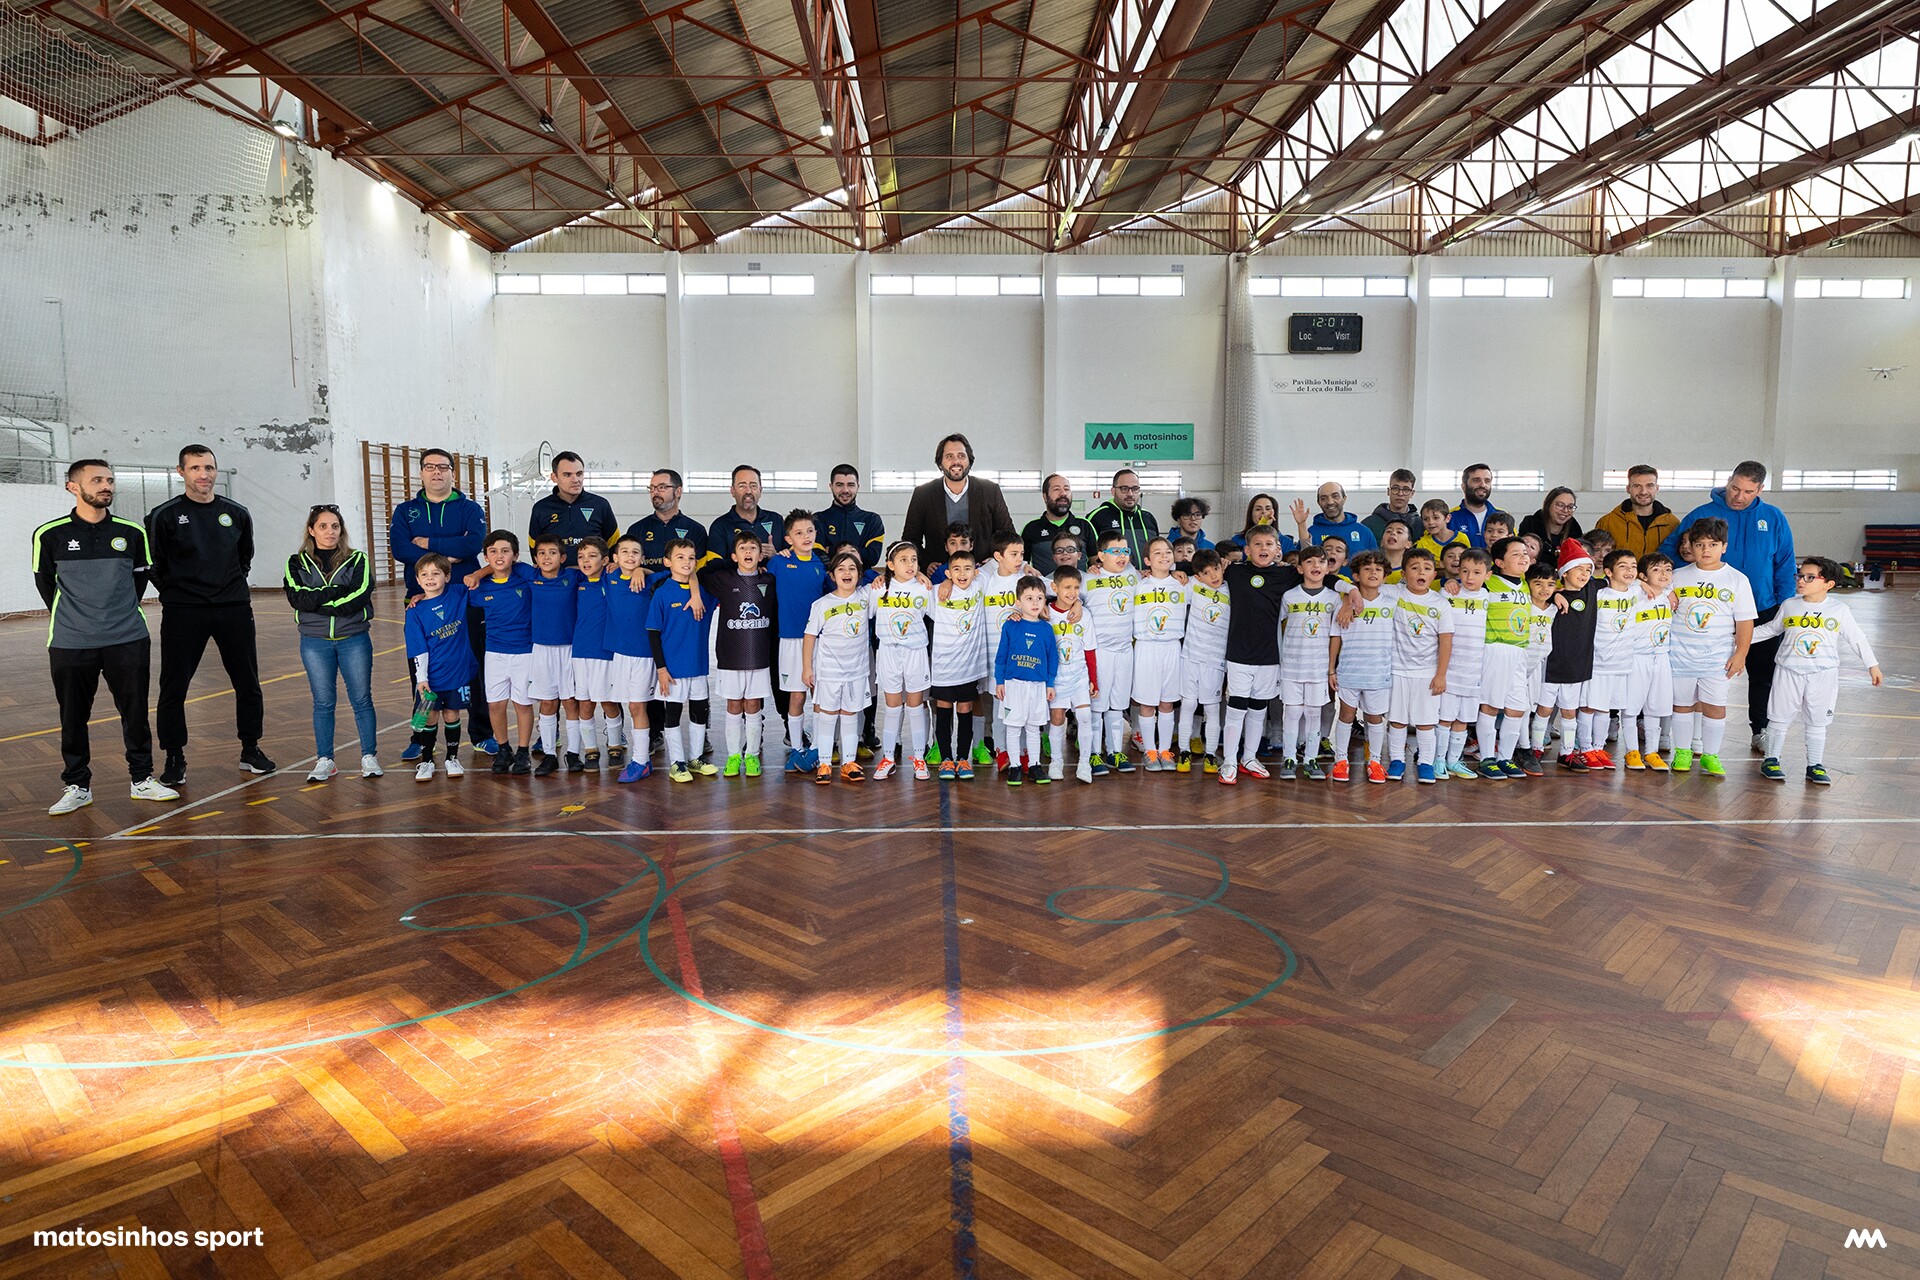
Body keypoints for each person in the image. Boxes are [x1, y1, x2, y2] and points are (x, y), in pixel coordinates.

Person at [37, 459, 179, 813]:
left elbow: (139, 579)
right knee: (73, 717)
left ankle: (142, 779)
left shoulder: (132, 533)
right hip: (70, 642)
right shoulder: (49, 535)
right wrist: (77, 618)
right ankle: (77, 785)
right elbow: (46, 584)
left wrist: (116, 611)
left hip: (127, 638)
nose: (106, 486)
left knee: (135, 713)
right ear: (73, 487)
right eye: (97, 480)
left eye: (110, 481)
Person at [147, 444, 272, 787]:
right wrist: (177, 593)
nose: (204, 474)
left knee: (247, 681)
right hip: (184, 612)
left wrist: (228, 588)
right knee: (174, 686)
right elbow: (154, 563)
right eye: (195, 468)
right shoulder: (164, 515)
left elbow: (244, 557)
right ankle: (174, 756)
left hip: (233, 608)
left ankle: (250, 749)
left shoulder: (237, 513)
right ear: (181, 472)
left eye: (209, 467)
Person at [1658, 460, 1795, 752]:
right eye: (1735, 488)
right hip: (1707, 610)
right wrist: (1668, 586)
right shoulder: (1701, 514)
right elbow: (1668, 552)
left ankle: (1760, 730)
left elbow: (1784, 563)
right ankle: (1689, 739)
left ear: (1760, 489)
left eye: (1747, 491)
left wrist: (1785, 606)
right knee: (1698, 674)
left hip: (1763, 609)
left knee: (1762, 675)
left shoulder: (1773, 517)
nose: (1738, 496)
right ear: (1729, 481)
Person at [391, 448, 491, 756]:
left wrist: (428, 543)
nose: (437, 472)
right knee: (421, 669)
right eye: (430, 467)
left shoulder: (470, 508)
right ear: (421, 472)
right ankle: (420, 737)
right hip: (421, 601)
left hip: (463, 602)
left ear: (452, 473)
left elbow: (474, 543)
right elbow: (400, 548)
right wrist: (448, 554)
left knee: (474, 665)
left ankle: (481, 733)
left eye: (443, 467)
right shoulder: (406, 511)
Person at [1751, 557, 1882, 785]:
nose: (1801, 580)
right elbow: (1771, 629)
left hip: (1823, 674)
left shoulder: (1839, 610)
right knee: (1778, 718)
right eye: (1800, 575)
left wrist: (1872, 665)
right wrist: (1738, 639)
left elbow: (1857, 638)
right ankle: (1771, 759)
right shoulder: (1789, 605)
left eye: (1810, 577)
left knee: (1817, 721)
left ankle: (1815, 765)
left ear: (1828, 584)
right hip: (1788, 671)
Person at [285, 503, 379, 781]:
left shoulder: (358, 559)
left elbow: (359, 595)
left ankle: (369, 756)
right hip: (315, 642)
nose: (330, 531)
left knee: (362, 699)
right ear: (311, 530)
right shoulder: (295, 562)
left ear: (342, 530)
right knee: (323, 702)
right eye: (323, 526)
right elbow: (298, 598)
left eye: (335, 526)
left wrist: (318, 602)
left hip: (354, 639)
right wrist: (336, 592)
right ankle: (325, 759)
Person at [1217, 524, 1308, 785]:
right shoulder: (1234, 571)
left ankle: (1249, 758)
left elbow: (1316, 568)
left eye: (1269, 544)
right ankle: (1230, 761)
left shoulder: (1287, 574)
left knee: (1258, 709)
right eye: (1257, 544)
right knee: (1236, 708)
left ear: (1278, 549)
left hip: (1270, 655)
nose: (1263, 548)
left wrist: (1351, 589)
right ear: (1247, 550)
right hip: (1238, 653)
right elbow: (1197, 567)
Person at [1666, 516, 1756, 778]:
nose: (1706, 550)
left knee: (1715, 706)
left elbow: (1745, 621)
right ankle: (1682, 751)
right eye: (1699, 545)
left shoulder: (1737, 579)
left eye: (1713, 545)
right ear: (1690, 546)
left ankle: (1711, 754)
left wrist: (1741, 654)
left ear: (1724, 547)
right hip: (1680, 654)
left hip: (1717, 657)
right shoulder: (1677, 577)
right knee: (1681, 705)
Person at [460, 531, 538, 775]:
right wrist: (421, 596)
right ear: (485, 556)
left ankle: (523, 751)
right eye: (493, 551)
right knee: (495, 704)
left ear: (515, 555)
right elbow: (451, 596)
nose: (499, 556)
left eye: (505, 551)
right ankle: (504, 749)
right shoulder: (479, 587)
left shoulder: (525, 578)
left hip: (524, 652)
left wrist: (478, 571)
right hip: (494, 653)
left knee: (522, 704)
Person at [647, 539, 720, 782]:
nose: (687, 562)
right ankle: (676, 762)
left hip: (698, 666)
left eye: (691, 557)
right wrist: (661, 669)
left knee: (700, 712)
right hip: (673, 669)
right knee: (673, 714)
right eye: (680, 557)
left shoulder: (705, 592)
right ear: (667, 562)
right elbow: (653, 633)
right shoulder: (662, 593)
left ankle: (695, 758)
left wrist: (696, 590)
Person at [1381, 547, 1453, 784]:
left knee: (1425, 722)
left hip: (1427, 673)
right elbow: (1363, 587)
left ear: (1434, 574)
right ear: (1403, 574)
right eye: (1414, 568)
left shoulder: (1440, 603)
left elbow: (1446, 641)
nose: (1421, 572)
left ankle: (1426, 763)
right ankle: (1397, 760)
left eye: (1427, 568)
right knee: (1397, 720)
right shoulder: (1393, 593)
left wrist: (1441, 674)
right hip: (1397, 670)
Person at [403, 553, 477, 782]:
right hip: (431, 676)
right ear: (417, 579)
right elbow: (418, 649)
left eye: (436, 573)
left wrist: (477, 573)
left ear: (447, 576)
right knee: (430, 716)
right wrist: (421, 679)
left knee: (452, 714)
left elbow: (480, 579)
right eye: (424, 574)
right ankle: (426, 761)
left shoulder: (458, 593)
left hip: (457, 672)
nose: (430, 578)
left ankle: (452, 758)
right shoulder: (415, 611)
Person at [802, 551, 874, 783]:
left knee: (850, 715)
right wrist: (807, 668)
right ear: (832, 576)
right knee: (828, 715)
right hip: (829, 671)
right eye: (841, 569)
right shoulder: (822, 604)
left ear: (859, 574)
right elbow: (809, 636)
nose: (847, 573)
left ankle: (848, 762)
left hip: (857, 671)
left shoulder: (866, 597)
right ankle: (824, 763)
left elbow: (892, 582)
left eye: (852, 568)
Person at [1327, 550, 1395, 783]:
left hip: (1379, 672)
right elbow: (1335, 637)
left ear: (1385, 576)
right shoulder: (1344, 605)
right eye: (1367, 569)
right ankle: (1341, 760)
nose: (1373, 573)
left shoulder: (1392, 603)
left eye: (1378, 569)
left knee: (1375, 718)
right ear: (1355, 575)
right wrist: (1331, 669)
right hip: (1349, 671)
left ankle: (1374, 761)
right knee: (1346, 715)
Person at [770, 510, 828, 772]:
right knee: (796, 695)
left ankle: (817, 747)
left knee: (819, 695)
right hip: (790, 639)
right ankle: (796, 748)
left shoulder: (821, 565)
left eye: (810, 531)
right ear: (788, 539)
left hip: (818, 640)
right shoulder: (778, 563)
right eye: (799, 533)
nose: (806, 537)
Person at [901, 434, 1016, 567]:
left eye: (961, 456)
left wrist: (995, 559)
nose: (956, 461)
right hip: (939, 572)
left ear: (969, 460)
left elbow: (1008, 534)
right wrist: (927, 564)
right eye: (949, 456)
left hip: (982, 570)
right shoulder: (923, 494)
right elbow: (910, 539)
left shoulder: (990, 491)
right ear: (940, 462)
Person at [870, 541, 933, 779]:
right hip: (888, 651)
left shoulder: (924, 589)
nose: (910, 564)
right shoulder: (878, 589)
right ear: (890, 564)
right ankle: (888, 758)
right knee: (893, 707)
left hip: (915, 651)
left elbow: (941, 612)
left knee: (915, 706)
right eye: (903, 559)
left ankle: (919, 758)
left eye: (914, 559)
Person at [1276, 546, 1338, 779]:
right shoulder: (1289, 596)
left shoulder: (1333, 598)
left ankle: (1311, 759)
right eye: (1309, 562)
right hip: (1291, 665)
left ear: (1327, 568)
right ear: (1300, 568)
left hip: (1318, 667)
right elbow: (1276, 626)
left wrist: (1331, 668)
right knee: (1292, 712)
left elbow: (1336, 635)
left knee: (1313, 713)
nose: (1315, 566)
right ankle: (1289, 758)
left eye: (1321, 562)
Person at [1129, 537, 1189, 772]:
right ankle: (1150, 751)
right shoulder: (1138, 585)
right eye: (1157, 553)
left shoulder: (1183, 585)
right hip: (1146, 647)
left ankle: (1165, 750)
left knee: (1167, 703)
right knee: (1147, 703)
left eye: (1168, 552)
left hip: (1172, 647)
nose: (1164, 556)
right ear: (1147, 561)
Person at [1083, 533, 1140, 773]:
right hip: (1100, 652)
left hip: (1125, 650)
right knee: (1097, 705)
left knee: (1117, 705)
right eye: (1115, 551)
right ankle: (1094, 754)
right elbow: (1066, 594)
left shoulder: (1133, 575)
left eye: (1125, 551)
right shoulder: (1089, 579)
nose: (1121, 556)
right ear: (1100, 556)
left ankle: (1114, 752)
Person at [994, 576, 1058, 787]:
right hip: (1013, 685)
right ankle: (1014, 766)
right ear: (1018, 602)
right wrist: (999, 681)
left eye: (1039, 598)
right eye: (1029, 598)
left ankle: (1034, 765)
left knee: (1033, 728)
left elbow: (1052, 658)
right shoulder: (1011, 625)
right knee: (1013, 728)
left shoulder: (1046, 629)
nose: (1035, 602)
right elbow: (1001, 656)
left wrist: (1050, 683)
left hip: (1038, 686)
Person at [930, 549, 986, 779]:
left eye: (967, 569)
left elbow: (1006, 568)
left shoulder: (980, 586)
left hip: (968, 667)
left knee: (965, 709)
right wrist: (941, 581)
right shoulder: (937, 592)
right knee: (943, 709)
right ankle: (946, 759)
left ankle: (963, 759)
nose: (962, 574)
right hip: (944, 666)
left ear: (976, 572)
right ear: (948, 573)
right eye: (956, 569)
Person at [1046, 565, 1100, 784]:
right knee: (1057, 718)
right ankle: (1056, 761)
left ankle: (1084, 763)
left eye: (1076, 588)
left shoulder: (1084, 615)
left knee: (1085, 716)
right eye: (1067, 587)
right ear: (1054, 588)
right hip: (1056, 677)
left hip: (1079, 674)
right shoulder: (1045, 613)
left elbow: (1090, 649)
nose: (1072, 592)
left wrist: (1093, 680)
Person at [1177, 550, 1229, 773]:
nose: (1213, 576)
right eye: (1206, 573)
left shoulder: (1231, 589)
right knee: (1188, 704)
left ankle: (1210, 755)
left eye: (1216, 569)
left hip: (1215, 660)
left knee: (1212, 708)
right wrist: (1176, 572)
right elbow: (1169, 580)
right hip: (1190, 656)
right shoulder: (1193, 586)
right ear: (1198, 576)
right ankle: (1183, 752)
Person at [530, 451, 619, 565]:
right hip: (556, 575)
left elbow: (614, 543)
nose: (575, 480)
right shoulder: (541, 508)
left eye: (579, 474)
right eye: (567, 475)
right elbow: (535, 548)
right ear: (554, 477)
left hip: (593, 576)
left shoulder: (600, 505)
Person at [625, 469, 710, 570]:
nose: (655, 492)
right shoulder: (636, 529)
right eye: (652, 488)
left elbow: (700, 571)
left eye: (662, 487)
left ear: (678, 492)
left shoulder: (696, 530)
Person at [1594, 465, 1677, 560]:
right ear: (1628, 489)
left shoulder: (1672, 523)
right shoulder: (1608, 522)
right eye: (1637, 486)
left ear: (1657, 488)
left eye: (1649, 486)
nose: (1643, 492)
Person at [813, 465, 885, 570]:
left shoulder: (872, 520)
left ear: (858, 487)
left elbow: (872, 557)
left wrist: (832, 550)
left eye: (851, 485)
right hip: (828, 578)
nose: (845, 490)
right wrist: (856, 552)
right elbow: (816, 555)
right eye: (839, 485)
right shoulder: (817, 519)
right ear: (831, 486)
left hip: (862, 579)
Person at [1021, 474, 1095, 575]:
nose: (1063, 493)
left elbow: (1096, 562)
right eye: (1056, 489)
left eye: (1066, 489)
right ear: (1045, 497)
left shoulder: (1085, 525)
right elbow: (1022, 564)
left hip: (1080, 584)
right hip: (1044, 585)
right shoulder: (1031, 529)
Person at [1085, 469, 1162, 563]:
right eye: (1124, 489)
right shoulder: (1098, 517)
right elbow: (1088, 556)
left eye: (1135, 489)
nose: (1130, 494)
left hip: (1147, 573)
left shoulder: (1148, 518)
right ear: (1113, 491)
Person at [708, 464, 780, 555]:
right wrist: (741, 559)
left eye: (753, 486)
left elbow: (793, 558)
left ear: (760, 490)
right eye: (742, 486)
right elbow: (714, 562)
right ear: (732, 491)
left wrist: (775, 557)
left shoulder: (776, 520)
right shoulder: (720, 526)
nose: (748, 491)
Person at [1447, 464, 1514, 549]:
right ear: (1463, 486)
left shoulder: (1503, 517)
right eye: (1476, 480)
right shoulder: (1450, 518)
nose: (1482, 485)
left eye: (1487, 481)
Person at [1306, 482, 1376, 554]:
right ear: (1319, 502)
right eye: (1323, 498)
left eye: (1335, 496)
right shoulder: (1311, 533)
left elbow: (1375, 559)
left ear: (1344, 499)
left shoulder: (1363, 532)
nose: (1330, 502)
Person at [1519, 487, 1583, 563]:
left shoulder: (1576, 532)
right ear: (1548, 504)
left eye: (1570, 507)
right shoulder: (1530, 525)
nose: (1565, 510)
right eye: (1560, 505)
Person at [1363, 470, 1420, 544]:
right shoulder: (1369, 524)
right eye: (1395, 488)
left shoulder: (1420, 524)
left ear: (1412, 493)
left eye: (1406, 489)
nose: (1400, 494)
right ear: (1388, 491)